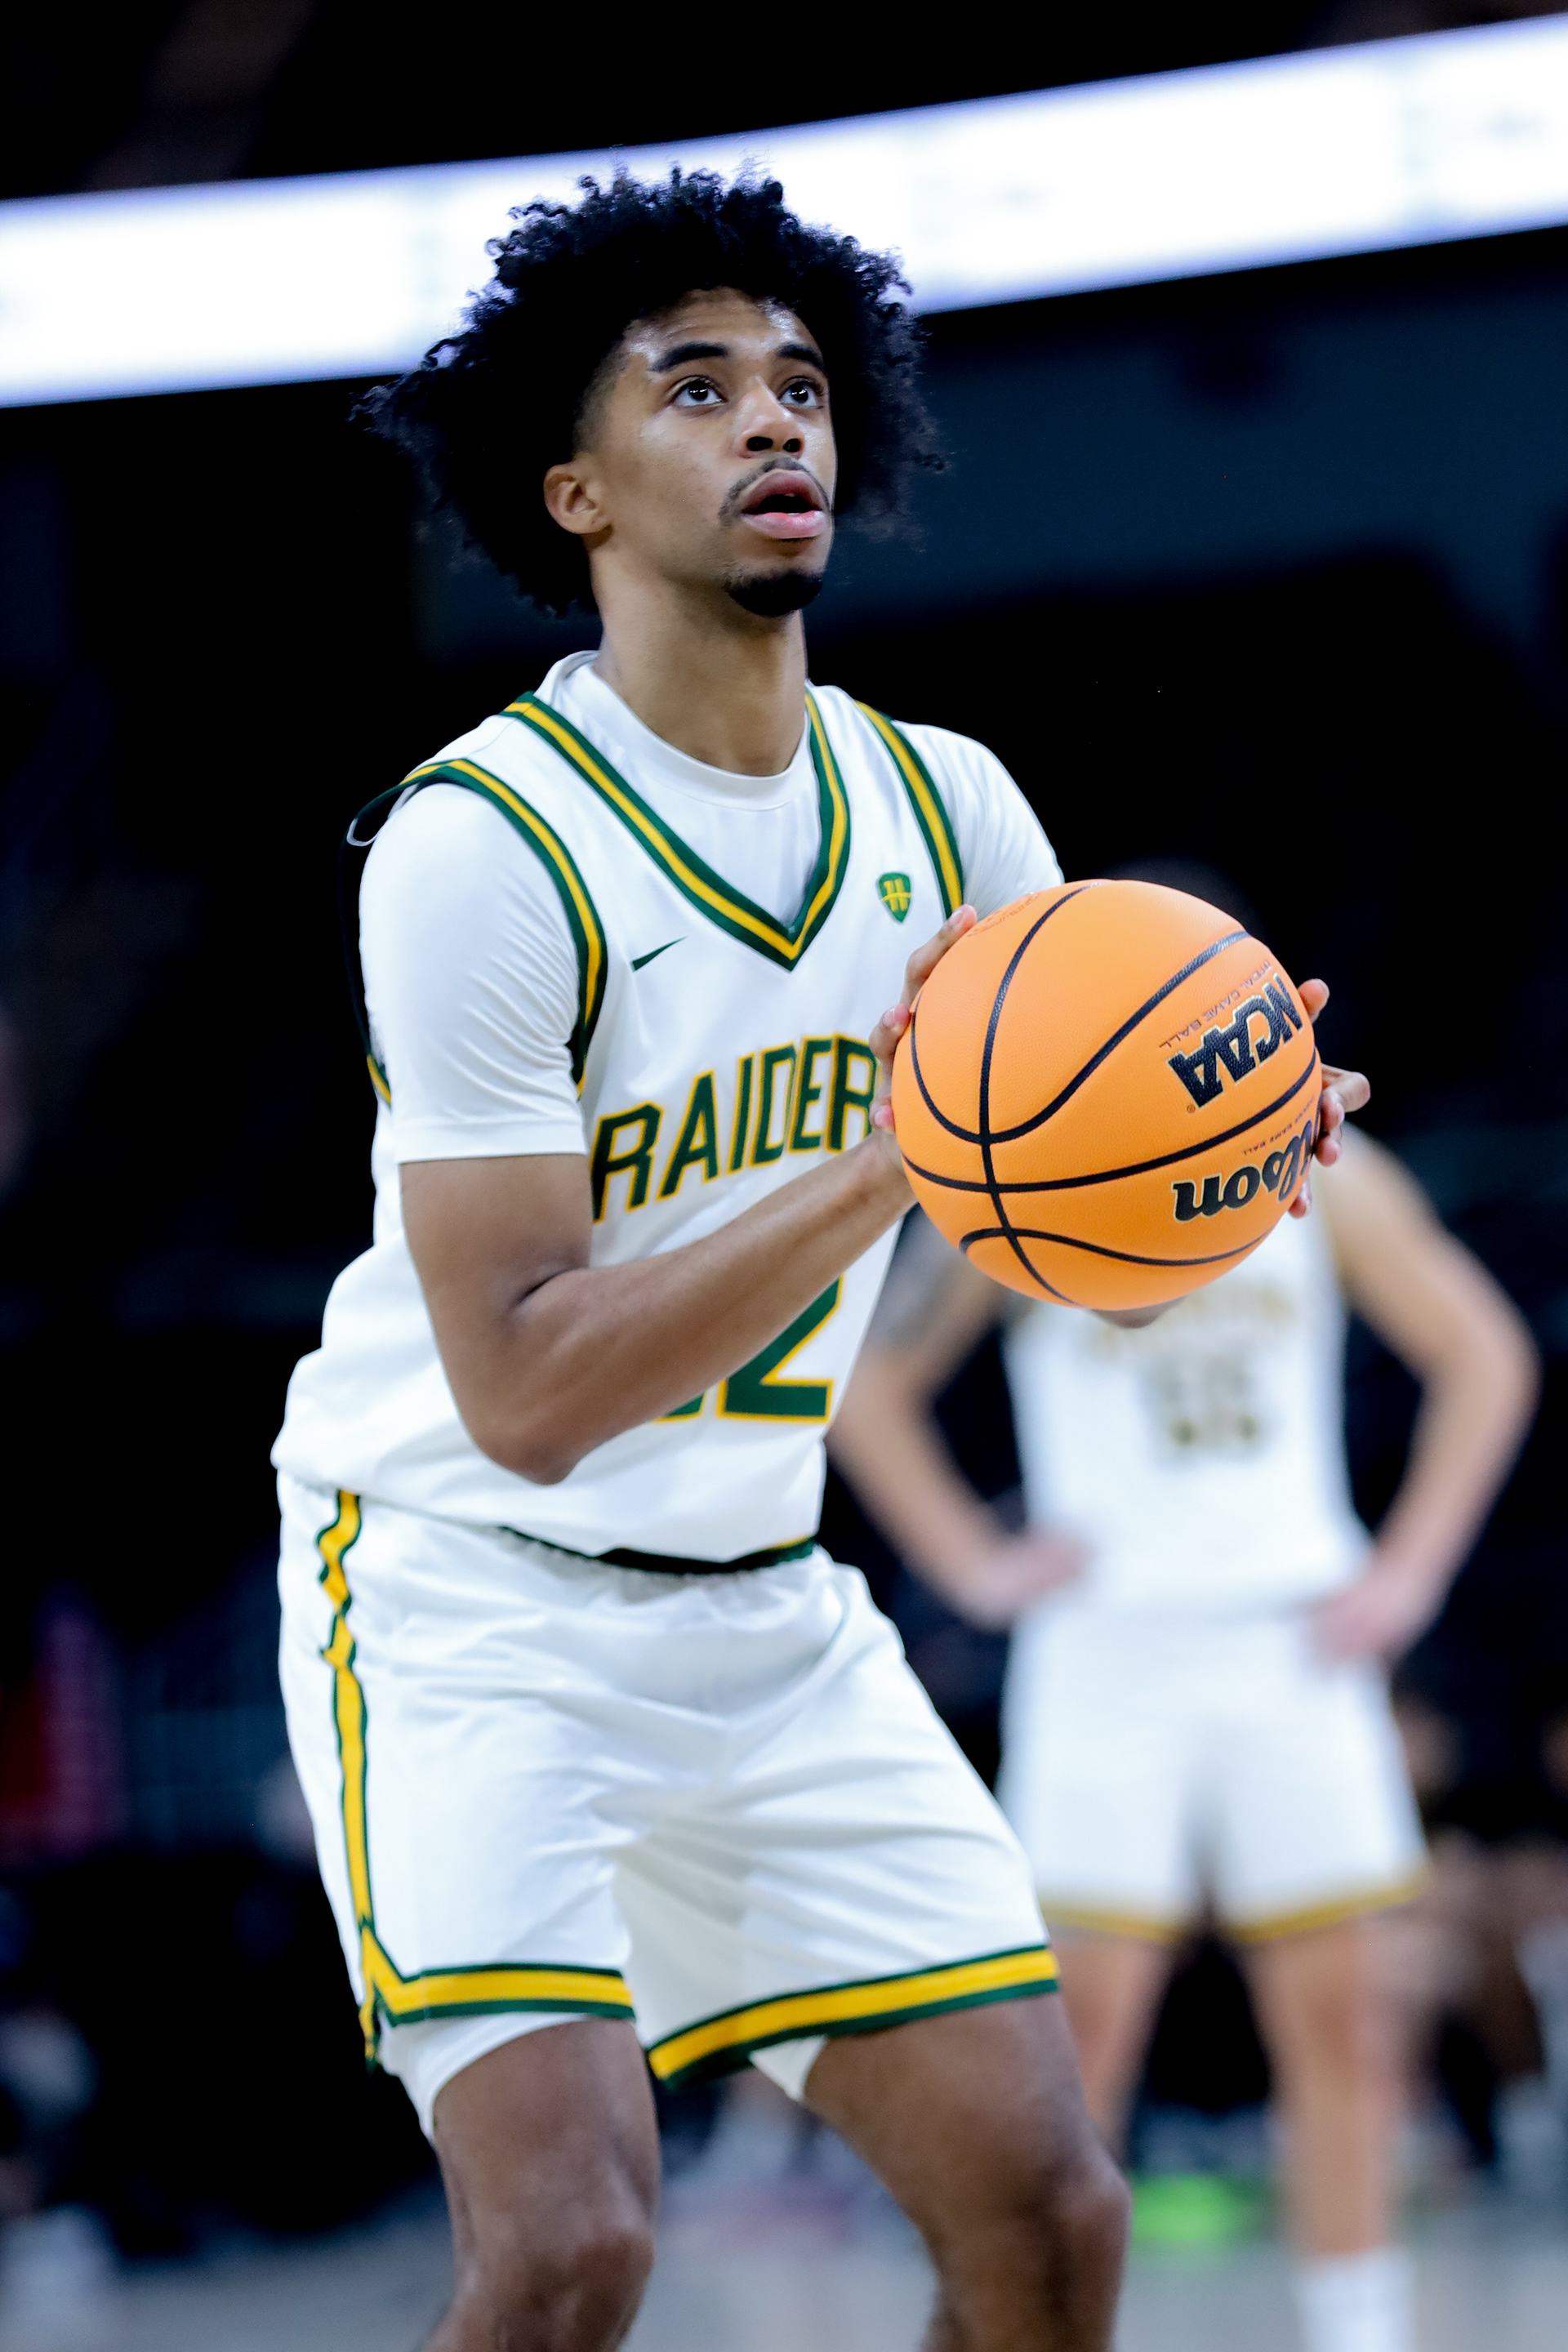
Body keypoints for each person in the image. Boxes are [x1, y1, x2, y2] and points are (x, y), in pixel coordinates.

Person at [271, 181, 1361, 2352]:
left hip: (766, 1610)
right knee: (571, 2250)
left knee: (1053, 2221)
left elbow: (1076, 1266)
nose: (775, 419)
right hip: (469, 1604)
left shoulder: (954, 814)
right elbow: (527, 1394)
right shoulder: (486, 848)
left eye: (798, 383)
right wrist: (901, 1153)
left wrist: (1210, 1172)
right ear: (573, 490)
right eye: (695, 390)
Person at [829, 866, 1537, 2352]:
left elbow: (1486, 1354)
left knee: (1350, 2029)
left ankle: (1362, 2335)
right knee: (1077, 2049)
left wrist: (1407, 1570)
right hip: (1108, 1653)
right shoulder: (1027, 1156)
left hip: (1293, 1637)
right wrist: (973, 1565)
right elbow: (868, 1389)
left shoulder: (1329, 1171)